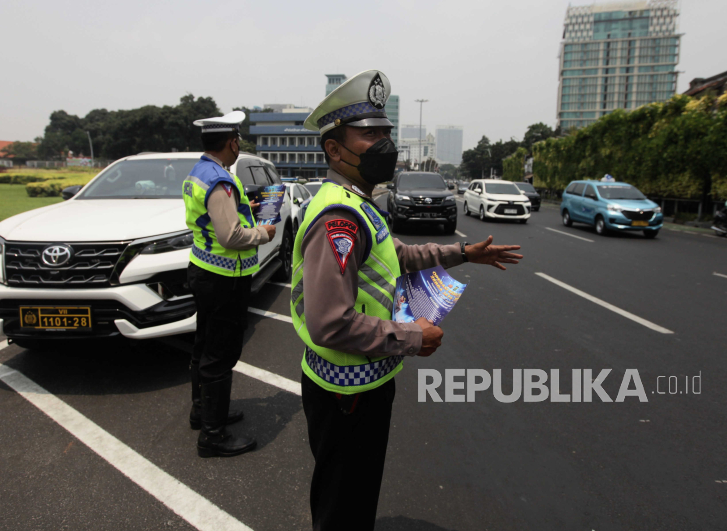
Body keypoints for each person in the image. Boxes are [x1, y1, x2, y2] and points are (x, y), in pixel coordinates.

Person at [291, 70, 524, 530]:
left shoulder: (358, 201)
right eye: (368, 135)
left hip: (361, 381)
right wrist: (412, 337)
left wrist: (462, 253)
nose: (383, 145)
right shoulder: (339, 217)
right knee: (345, 504)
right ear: (334, 149)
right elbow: (329, 322)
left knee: (353, 494)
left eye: (385, 134)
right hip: (347, 391)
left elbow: (398, 255)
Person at [183, 112, 276, 458]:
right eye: (238, 141)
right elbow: (231, 235)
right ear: (231, 142)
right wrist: (262, 234)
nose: (239, 146)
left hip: (203, 270)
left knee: (204, 345)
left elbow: (214, 217)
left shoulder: (199, 173)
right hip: (224, 278)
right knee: (221, 354)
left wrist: (243, 207)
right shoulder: (220, 181)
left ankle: (202, 412)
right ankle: (213, 434)